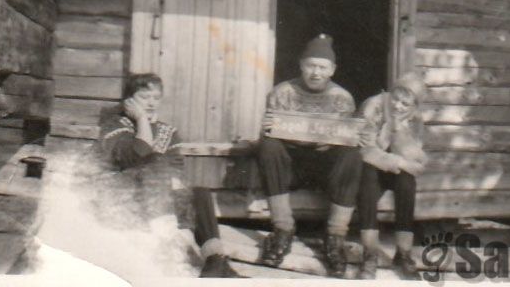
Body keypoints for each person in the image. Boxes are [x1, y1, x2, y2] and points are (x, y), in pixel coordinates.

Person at [98, 73, 241, 278]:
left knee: (200, 193)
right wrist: (141, 120)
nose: (151, 103)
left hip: (161, 198)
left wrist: (179, 195)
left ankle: (215, 259)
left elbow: (176, 171)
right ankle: (190, 256)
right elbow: (138, 153)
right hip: (126, 196)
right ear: (129, 100)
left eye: (156, 98)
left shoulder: (168, 132)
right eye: (144, 97)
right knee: (155, 162)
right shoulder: (116, 126)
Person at [257, 34, 368, 277]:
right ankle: (283, 230)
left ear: (332, 70)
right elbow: (273, 129)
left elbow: (345, 136)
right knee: (268, 144)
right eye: (311, 65)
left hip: (324, 164)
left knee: (353, 153)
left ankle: (335, 236)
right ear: (301, 65)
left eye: (322, 67)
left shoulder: (342, 98)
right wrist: (268, 128)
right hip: (292, 162)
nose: (316, 72)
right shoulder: (282, 92)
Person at [356, 72, 429, 280]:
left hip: (390, 167)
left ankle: (403, 253)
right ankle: (369, 253)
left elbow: (417, 157)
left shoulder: (416, 120)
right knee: (368, 177)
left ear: (414, 107)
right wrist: (400, 162)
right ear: (390, 93)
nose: (398, 106)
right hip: (366, 165)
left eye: (405, 104)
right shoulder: (373, 106)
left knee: (407, 181)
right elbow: (365, 150)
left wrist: (399, 131)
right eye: (395, 98)